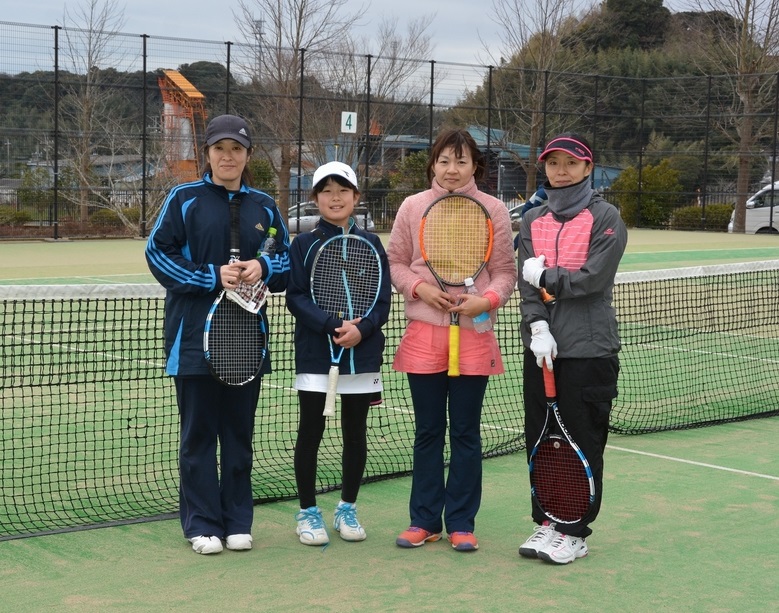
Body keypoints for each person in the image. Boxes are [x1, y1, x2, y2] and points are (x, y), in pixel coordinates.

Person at [145, 114, 291, 555]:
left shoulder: (265, 206)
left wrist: (261, 266)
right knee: (198, 438)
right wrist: (212, 276)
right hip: (192, 343)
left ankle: (237, 521)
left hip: (247, 345)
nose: (228, 157)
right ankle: (201, 525)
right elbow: (157, 253)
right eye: (219, 149)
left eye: (237, 149)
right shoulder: (183, 198)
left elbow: (287, 262)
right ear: (207, 153)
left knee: (239, 437)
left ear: (247, 155)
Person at [387, 128, 516, 552]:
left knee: (464, 432)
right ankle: (424, 520)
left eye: (461, 161)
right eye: (444, 160)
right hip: (424, 334)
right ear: (433, 164)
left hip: (474, 336)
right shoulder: (412, 207)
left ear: (475, 165)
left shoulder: (494, 210)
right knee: (427, 431)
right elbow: (397, 263)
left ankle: (461, 521)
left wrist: (487, 300)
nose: (452, 169)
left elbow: (504, 273)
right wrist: (419, 289)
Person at [517, 133, 627, 564]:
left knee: (582, 442)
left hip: (590, 350)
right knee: (541, 440)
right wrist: (537, 324)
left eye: (570, 162)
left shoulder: (606, 217)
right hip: (543, 350)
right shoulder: (532, 220)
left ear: (587, 167)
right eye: (552, 162)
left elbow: (591, 279)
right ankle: (547, 520)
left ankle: (575, 531)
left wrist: (546, 279)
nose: (560, 170)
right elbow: (527, 289)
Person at [286, 161, 392, 546]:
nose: (335, 197)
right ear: (315, 198)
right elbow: (295, 297)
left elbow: (382, 301)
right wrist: (331, 325)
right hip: (317, 354)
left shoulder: (373, 243)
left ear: (356, 197)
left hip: (362, 356)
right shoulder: (303, 244)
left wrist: (361, 329)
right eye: (327, 190)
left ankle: (347, 507)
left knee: (355, 433)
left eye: (343, 190)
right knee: (310, 432)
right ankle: (308, 512)